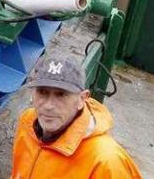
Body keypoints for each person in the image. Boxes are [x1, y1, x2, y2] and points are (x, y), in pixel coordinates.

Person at [11, 55, 142, 179]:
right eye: (42, 92)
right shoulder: (28, 123)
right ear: (32, 94)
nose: (49, 106)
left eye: (61, 94)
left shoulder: (106, 160)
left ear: (82, 99)